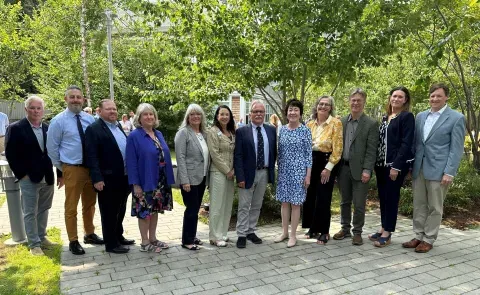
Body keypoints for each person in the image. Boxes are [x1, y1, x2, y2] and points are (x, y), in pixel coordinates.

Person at [402, 83, 465, 253]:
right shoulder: (421, 116)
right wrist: (410, 166)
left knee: (435, 206)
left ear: (446, 97)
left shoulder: (456, 118)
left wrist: (449, 172)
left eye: (438, 96)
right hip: (419, 168)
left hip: (439, 170)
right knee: (419, 204)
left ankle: (429, 239)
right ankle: (418, 236)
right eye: (432, 96)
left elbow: (456, 148)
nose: (434, 99)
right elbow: (416, 143)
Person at [47, 85, 103, 255]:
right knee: (71, 207)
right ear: (66, 99)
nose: (76, 100)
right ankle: (73, 240)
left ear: (83, 99)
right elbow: (52, 149)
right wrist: (63, 167)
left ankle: (89, 233)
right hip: (72, 168)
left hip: (90, 169)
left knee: (90, 204)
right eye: (72, 97)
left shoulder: (90, 119)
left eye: (78, 97)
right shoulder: (58, 121)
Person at [5, 96, 61, 255]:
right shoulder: (15, 128)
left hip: (47, 176)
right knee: (30, 211)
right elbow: (11, 154)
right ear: (26, 109)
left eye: (39, 108)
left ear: (43, 110)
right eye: (32, 108)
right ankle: (34, 244)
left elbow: (54, 152)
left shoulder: (47, 128)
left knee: (44, 208)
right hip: (29, 177)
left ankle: (42, 237)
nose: (36, 111)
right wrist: (22, 175)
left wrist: (59, 174)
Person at [85, 99, 135, 254]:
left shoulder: (118, 126)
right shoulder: (94, 129)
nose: (112, 111)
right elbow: (91, 156)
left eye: (114, 108)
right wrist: (97, 178)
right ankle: (111, 244)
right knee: (109, 212)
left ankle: (118, 236)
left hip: (123, 176)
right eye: (108, 109)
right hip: (107, 179)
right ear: (99, 111)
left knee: (120, 209)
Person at [369, 87, 415, 247]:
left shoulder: (406, 117)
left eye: (400, 97)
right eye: (394, 96)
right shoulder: (385, 117)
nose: (396, 99)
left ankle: (388, 233)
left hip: (394, 166)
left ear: (405, 100)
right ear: (390, 98)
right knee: (383, 198)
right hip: (381, 165)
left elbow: (406, 143)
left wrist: (396, 166)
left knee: (391, 198)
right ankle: (383, 227)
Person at [333, 88, 379, 245]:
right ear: (349, 102)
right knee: (344, 202)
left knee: (359, 204)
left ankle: (357, 232)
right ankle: (345, 228)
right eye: (353, 100)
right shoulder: (341, 122)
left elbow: (372, 150)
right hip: (342, 169)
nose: (356, 103)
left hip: (360, 171)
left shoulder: (371, 124)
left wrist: (367, 170)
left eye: (359, 100)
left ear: (364, 102)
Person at [127, 103, 174, 253]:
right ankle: (145, 242)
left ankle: (153, 238)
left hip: (159, 180)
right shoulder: (134, 136)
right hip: (144, 181)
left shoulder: (158, 134)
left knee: (154, 210)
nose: (149, 117)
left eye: (151, 114)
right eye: (145, 114)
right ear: (139, 118)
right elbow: (131, 161)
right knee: (145, 212)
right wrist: (135, 185)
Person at [234, 100, 277, 248]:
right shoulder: (241, 131)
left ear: (264, 114)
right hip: (247, 174)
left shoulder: (271, 130)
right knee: (244, 205)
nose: (258, 114)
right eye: (255, 112)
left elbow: (274, 152)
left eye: (261, 112)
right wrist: (240, 176)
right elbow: (238, 156)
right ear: (250, 114)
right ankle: (241, 234)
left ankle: (250, 231)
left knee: (257, 204)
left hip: (264, 172)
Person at [303, 96, 343, 245]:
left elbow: (338, 149)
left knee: (324, 197)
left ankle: (324, 231)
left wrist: (328, 169)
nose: (323, 106)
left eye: (327, 104)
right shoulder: (310, 124)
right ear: (317, 106)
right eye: (321, 104)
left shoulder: (336, 123)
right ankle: (313, 228)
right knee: (311, 196)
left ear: (331, 107)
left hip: (326, 163)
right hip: (310, 162)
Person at [274, 99, 312, 248]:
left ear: (300, 113)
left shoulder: (305, 130)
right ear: (286, 113)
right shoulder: (282, 130)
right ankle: (284, 232)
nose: (293, 112)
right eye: (290, 109)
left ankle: (293, 235)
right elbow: (279, 152)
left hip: (299, 172)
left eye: (296, 110)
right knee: (284, 203)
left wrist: (308, 175)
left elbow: (308, 155)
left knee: (296, 204)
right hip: (284, 171)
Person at [175, 104, 209, 251]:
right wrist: (185, 180)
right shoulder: (183, 133)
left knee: (195, 209)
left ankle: (192, 235)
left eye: (198, 114)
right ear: (187, 117)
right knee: (191, 209)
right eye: (192, 114)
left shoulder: (203, 134)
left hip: (201, 177)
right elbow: (180, 158)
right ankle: (187, 240)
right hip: (189, 179)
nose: (196, 117)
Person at [206, 105, 236, 247]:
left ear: (230, 117)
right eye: (221, 114)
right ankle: (214, 236)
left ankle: (223, 233)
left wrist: (233, 170)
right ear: (217, 116)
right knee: (217, 205)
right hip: (218, 172)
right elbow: (214, 154)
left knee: (227, 205)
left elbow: (235, 153)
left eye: (227, 114)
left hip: (230, 173)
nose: (224, 116)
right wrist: (227, 170)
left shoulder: (231, 132)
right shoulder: (212, 132)